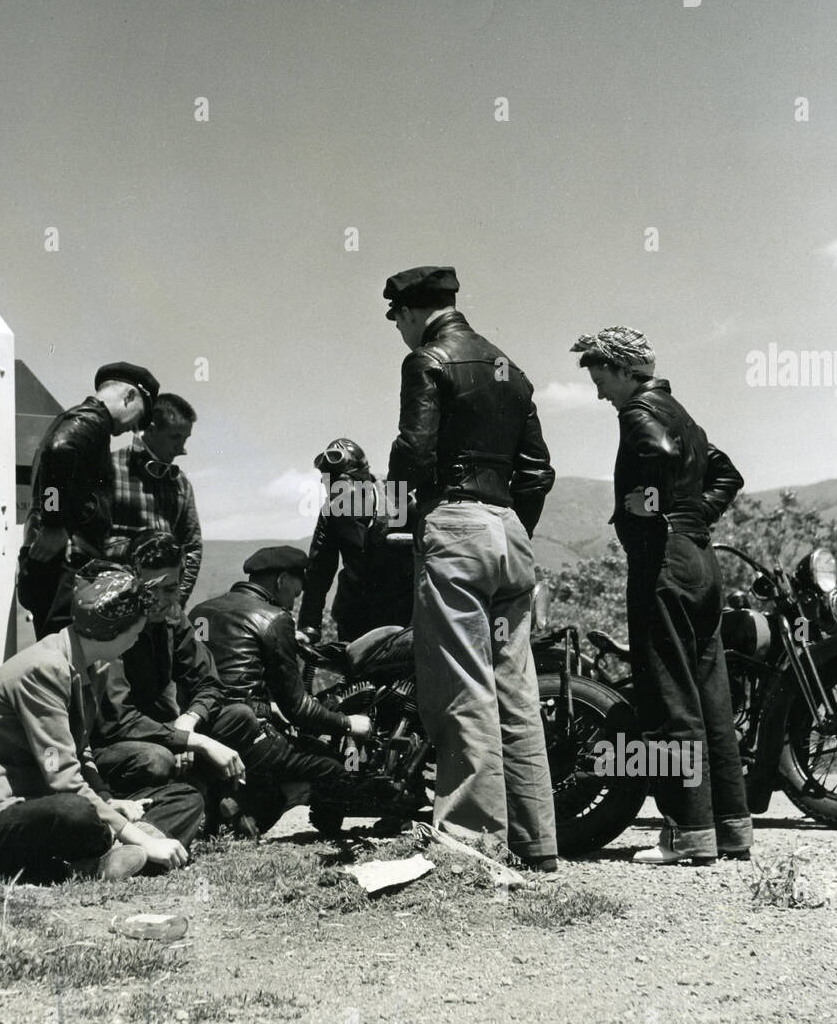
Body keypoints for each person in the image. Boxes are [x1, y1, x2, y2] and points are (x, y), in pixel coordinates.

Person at [383, 266, 559, 872]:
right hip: (510, 533)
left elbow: (414, 449)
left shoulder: (426, 360)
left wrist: (398, 512)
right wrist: (511, 529)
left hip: (454, 525)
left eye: (396, 319)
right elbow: (538, 472)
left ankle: (473, 846)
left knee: (462, 686)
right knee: (516, 689)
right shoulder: (512, 368)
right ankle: (536, 845)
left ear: (409, 312)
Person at [573, 325, 751, 865]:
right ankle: (731, 829)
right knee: (711, 701)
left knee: (669, 695)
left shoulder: (641, 413)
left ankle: (687, 832)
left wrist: (646, 507)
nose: (599, 390)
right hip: (701, 559)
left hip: (663, 563)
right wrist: (692, 513)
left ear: (625, 370)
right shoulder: (684, 414)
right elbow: (728, 474)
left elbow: (656, 450)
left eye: (601, 376)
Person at [0, 562, 203, 882]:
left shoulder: (95, 664)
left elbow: (81, 751)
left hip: (53, 800)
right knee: (77, 812)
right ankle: (122, 851)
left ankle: (109, 858)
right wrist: (129, 829)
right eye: (136, 630)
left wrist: (108, 800)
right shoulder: (43, 669)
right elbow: (62, 777)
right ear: (115, 631)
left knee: (185, 798)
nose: (139, 636)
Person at [189, 546, 408, 832]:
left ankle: (233, 802)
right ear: (281, 580)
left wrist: (269, 707)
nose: (298, 595)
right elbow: (299, 708)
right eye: (297, 586)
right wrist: (348, 724)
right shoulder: (273, 618)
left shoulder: (201, 612)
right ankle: (260, 811)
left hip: (202, 728)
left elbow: (215, 677)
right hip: (248, 734)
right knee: (333, 768)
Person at [91, 532, 252, 802]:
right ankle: (153, 811)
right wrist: (185, 740)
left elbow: (209, 684)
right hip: (114, 743)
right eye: (150, 589)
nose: (161, 600)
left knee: (240, 717)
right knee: (156, 759)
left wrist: (189, 721)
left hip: (164, 729)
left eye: (170, 589)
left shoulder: (173, 615)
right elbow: (116, 720)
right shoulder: (112, 622)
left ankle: (197, 797)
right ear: (133, 579)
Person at [17, 361, 158, 639]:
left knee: (60, 654)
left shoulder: (77, 420)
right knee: (66, 655)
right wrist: (55, 524)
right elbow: (62, 449)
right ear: (129, 397)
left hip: (55, 562)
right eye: (138, 418)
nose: (133, 430)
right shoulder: (91, 421)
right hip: (67, 563)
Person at [297, 437, 414, 642]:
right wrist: (309, 625)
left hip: (403, 610)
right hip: (355, 612)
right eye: (330, 491)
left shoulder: (403, 500)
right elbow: (318, 571)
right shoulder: (331, 513)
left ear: (364, 482)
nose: (338, 500)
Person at [107, 393, 204, 607]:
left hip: (161, 611)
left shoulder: (181, 484)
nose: (182, 449)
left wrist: (176, 600)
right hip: (115, 607)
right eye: (175, 437)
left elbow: (192, 546)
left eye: (185, 439)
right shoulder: (109, 470)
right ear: (151, 430)